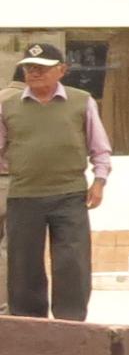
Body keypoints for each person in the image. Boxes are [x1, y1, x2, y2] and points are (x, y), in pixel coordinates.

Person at [3, 43, 112, 320]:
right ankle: (29, 323)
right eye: (29, 67)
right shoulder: (7, 105)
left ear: (61, 70)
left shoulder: (81, 101)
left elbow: (99, 147)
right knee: (24, 265)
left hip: (70, 195)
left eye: (43, 67)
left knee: (72, 263)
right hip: (24, 194)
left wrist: (99, 181)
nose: (34, 72)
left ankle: (71, 323)